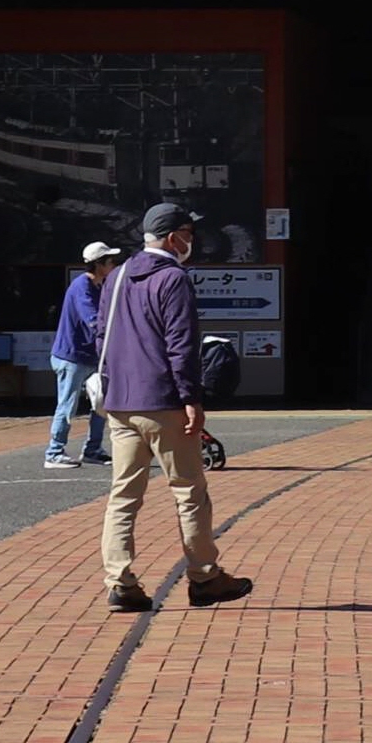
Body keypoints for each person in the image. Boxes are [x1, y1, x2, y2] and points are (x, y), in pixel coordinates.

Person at [95, 204, 252, 611]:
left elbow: (100, 336)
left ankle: (120, 581)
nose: (192, 240)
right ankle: (205, 576)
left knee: (123, 495)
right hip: (163, 401)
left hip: (121, 403)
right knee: (188, 491)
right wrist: (191, 399)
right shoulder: (172, 279)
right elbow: (181, 347)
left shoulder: (117, 277)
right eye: (187, 232)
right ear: (171, 238)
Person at [44, 242, 119, 470]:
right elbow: (94, 321)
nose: (113, 264)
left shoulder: (99, 286)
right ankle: (54, 452)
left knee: (100, 403)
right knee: (67, 404)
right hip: (72, 357)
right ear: (98, 264)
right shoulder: (82, 287)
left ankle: (93, 450)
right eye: (109, 260)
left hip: (91, 356)